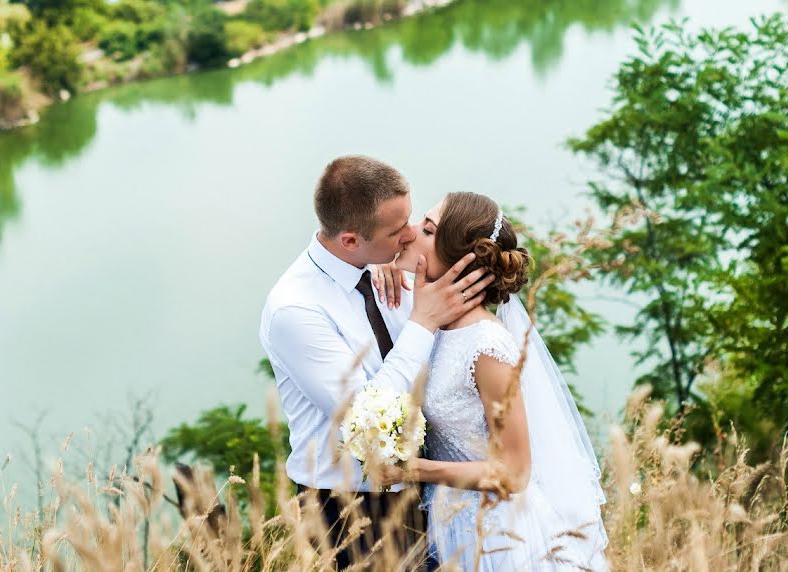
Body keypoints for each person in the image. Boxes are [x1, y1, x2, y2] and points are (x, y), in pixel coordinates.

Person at [259, 156, 493, 569]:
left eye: (412, 219)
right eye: (396, 231)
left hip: (431, 485)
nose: (411, 236)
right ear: (350, 240)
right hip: (350, 511)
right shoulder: (295, 310)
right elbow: (366, 420)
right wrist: (423, 321)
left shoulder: (387, 266)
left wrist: (384, 257)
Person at [378, 191, 609, 571]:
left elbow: (515, 473)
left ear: (459, 259)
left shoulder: (487, 345)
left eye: (427, 229)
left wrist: (416, 469)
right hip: (449, 526)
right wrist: (379, 265)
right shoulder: (429, 320)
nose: (409, 232)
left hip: (498, 538)